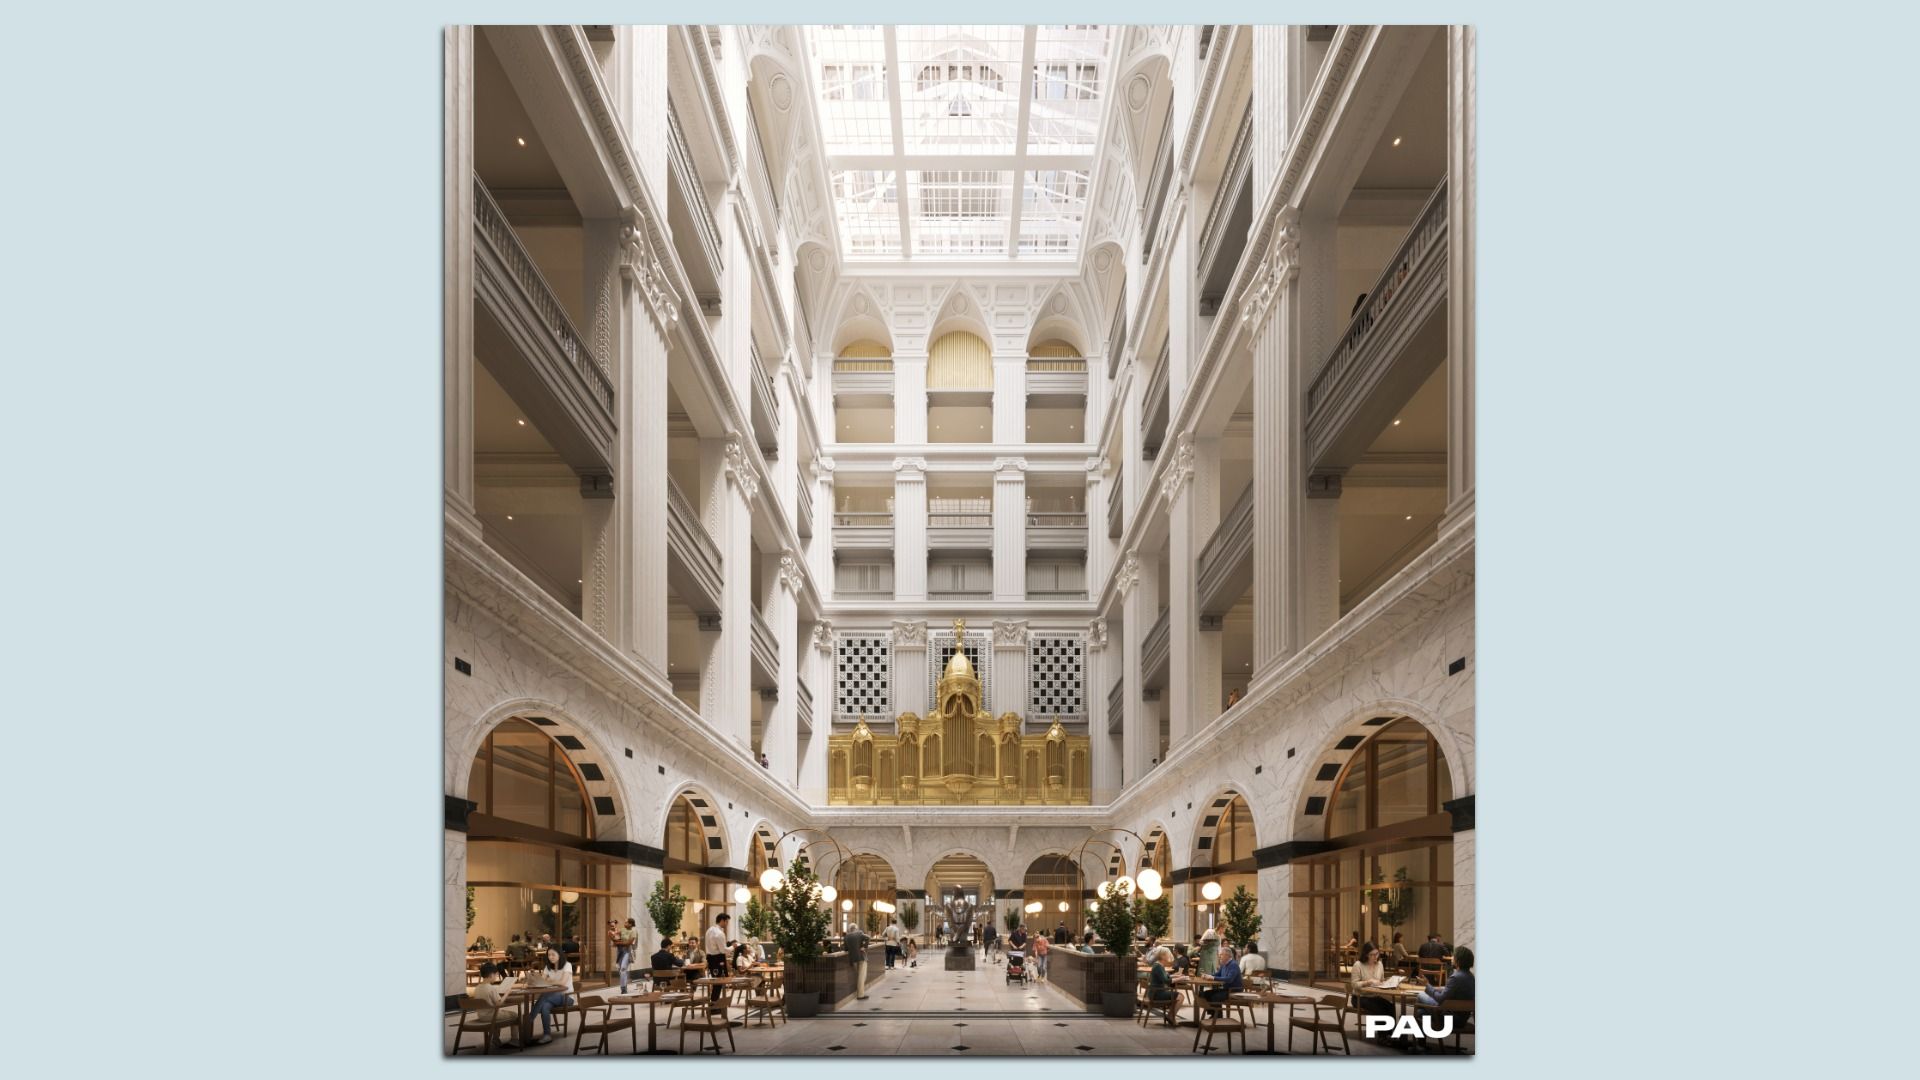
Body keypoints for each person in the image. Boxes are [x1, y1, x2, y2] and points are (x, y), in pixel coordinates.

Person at [469, 963, 522, 1049]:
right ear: (491, 975)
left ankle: (496, 1039)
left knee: (499, 1013)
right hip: (491, 1016)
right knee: (515, 1015)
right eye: (496, 975)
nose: (496, 976)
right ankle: (514, 1040)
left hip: (482, 1015)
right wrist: (507, 993)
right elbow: (499, 1004)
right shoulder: (491, 988)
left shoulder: (477, 987)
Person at [528, 947, 574, 1045]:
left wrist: (549, 981)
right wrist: (534, 977)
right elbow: (542, 982)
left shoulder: (567, 965)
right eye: (549, 955)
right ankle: (547, 1035)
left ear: (559, 955)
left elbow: (562, 983)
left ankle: (529, 1019)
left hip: (567, 997)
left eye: (553, 954)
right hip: (552, 997)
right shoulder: (548, 967)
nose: (551, 957)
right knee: (545, 1006)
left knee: (545, 996)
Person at [1349, 941, 1395, 1027]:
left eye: (1377, 954)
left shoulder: (1379, 964)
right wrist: (1368, 982)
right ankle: (1382, 1037)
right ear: (1366, 954)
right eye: (1372, 954)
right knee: (1380, 1009)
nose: (1375, 957)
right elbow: (1354, 984)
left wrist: (1387, 982)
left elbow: (1381, 981)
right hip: (1359, 997)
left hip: (1374, 996)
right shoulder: (1358, 965)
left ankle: (1390, 1034)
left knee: (1391, 1007)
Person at [1416, 944, 1473, 1012]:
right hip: (1461, 1016)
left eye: (1454, 956)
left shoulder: (1455, 977)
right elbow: (1451, 991)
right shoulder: (1471, 976)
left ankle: (1429, 1018)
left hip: (1448, 1013)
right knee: (1421, 1012)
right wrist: (1434, 988)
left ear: (1458, 960)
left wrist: (1427, 985)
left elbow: (1440, 999)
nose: (1452, 958)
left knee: (1420, 995)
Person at [1145, 946, 1178, 1024]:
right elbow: (1166, 981)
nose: (1169, 956)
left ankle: (1170, 1016)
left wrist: (1176, 976)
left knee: (1177, 995)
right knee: (1180, 996)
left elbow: (1165, 976)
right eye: (1167, 954)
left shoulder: (1158, 965)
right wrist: (1179, 979)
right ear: (1162, 956)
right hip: (1157, 994)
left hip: (1154, 992)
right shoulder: (1158, 967)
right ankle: (1170, 1016)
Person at [703, 913, 731, 1004]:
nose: (727, 924)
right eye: (726, 922)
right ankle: (714, 1004)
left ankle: (716, 1003)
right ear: (722, 920)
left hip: (710, 958)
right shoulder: (719, 933)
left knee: (716, 981)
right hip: (718, 958)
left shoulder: (709, 930)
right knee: (719, 982)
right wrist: (733, 947)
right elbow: (723, 950)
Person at [843, 921, 872, 1000]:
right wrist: (864, 946)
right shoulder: (859, 933)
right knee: (861, 977)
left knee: (859, 976)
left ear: (849, 929)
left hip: (853, 959)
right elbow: (868, 937)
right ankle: (860, 995)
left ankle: (860, 992)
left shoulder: (846, 937)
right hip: (861, 957)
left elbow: (845, 949)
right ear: (856, 928)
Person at [614, 918, 640, 993]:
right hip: (620, 951)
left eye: (626, 923)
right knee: (620, 969)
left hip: (628, 952)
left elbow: (629, 943)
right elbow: (615, 938)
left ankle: (623, 989)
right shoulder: (622, 930)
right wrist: (615, 937)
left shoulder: (633, 931)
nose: (624, 924)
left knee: (623, 969)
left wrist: (619, 943)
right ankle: (624, 985)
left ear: (630, 924)